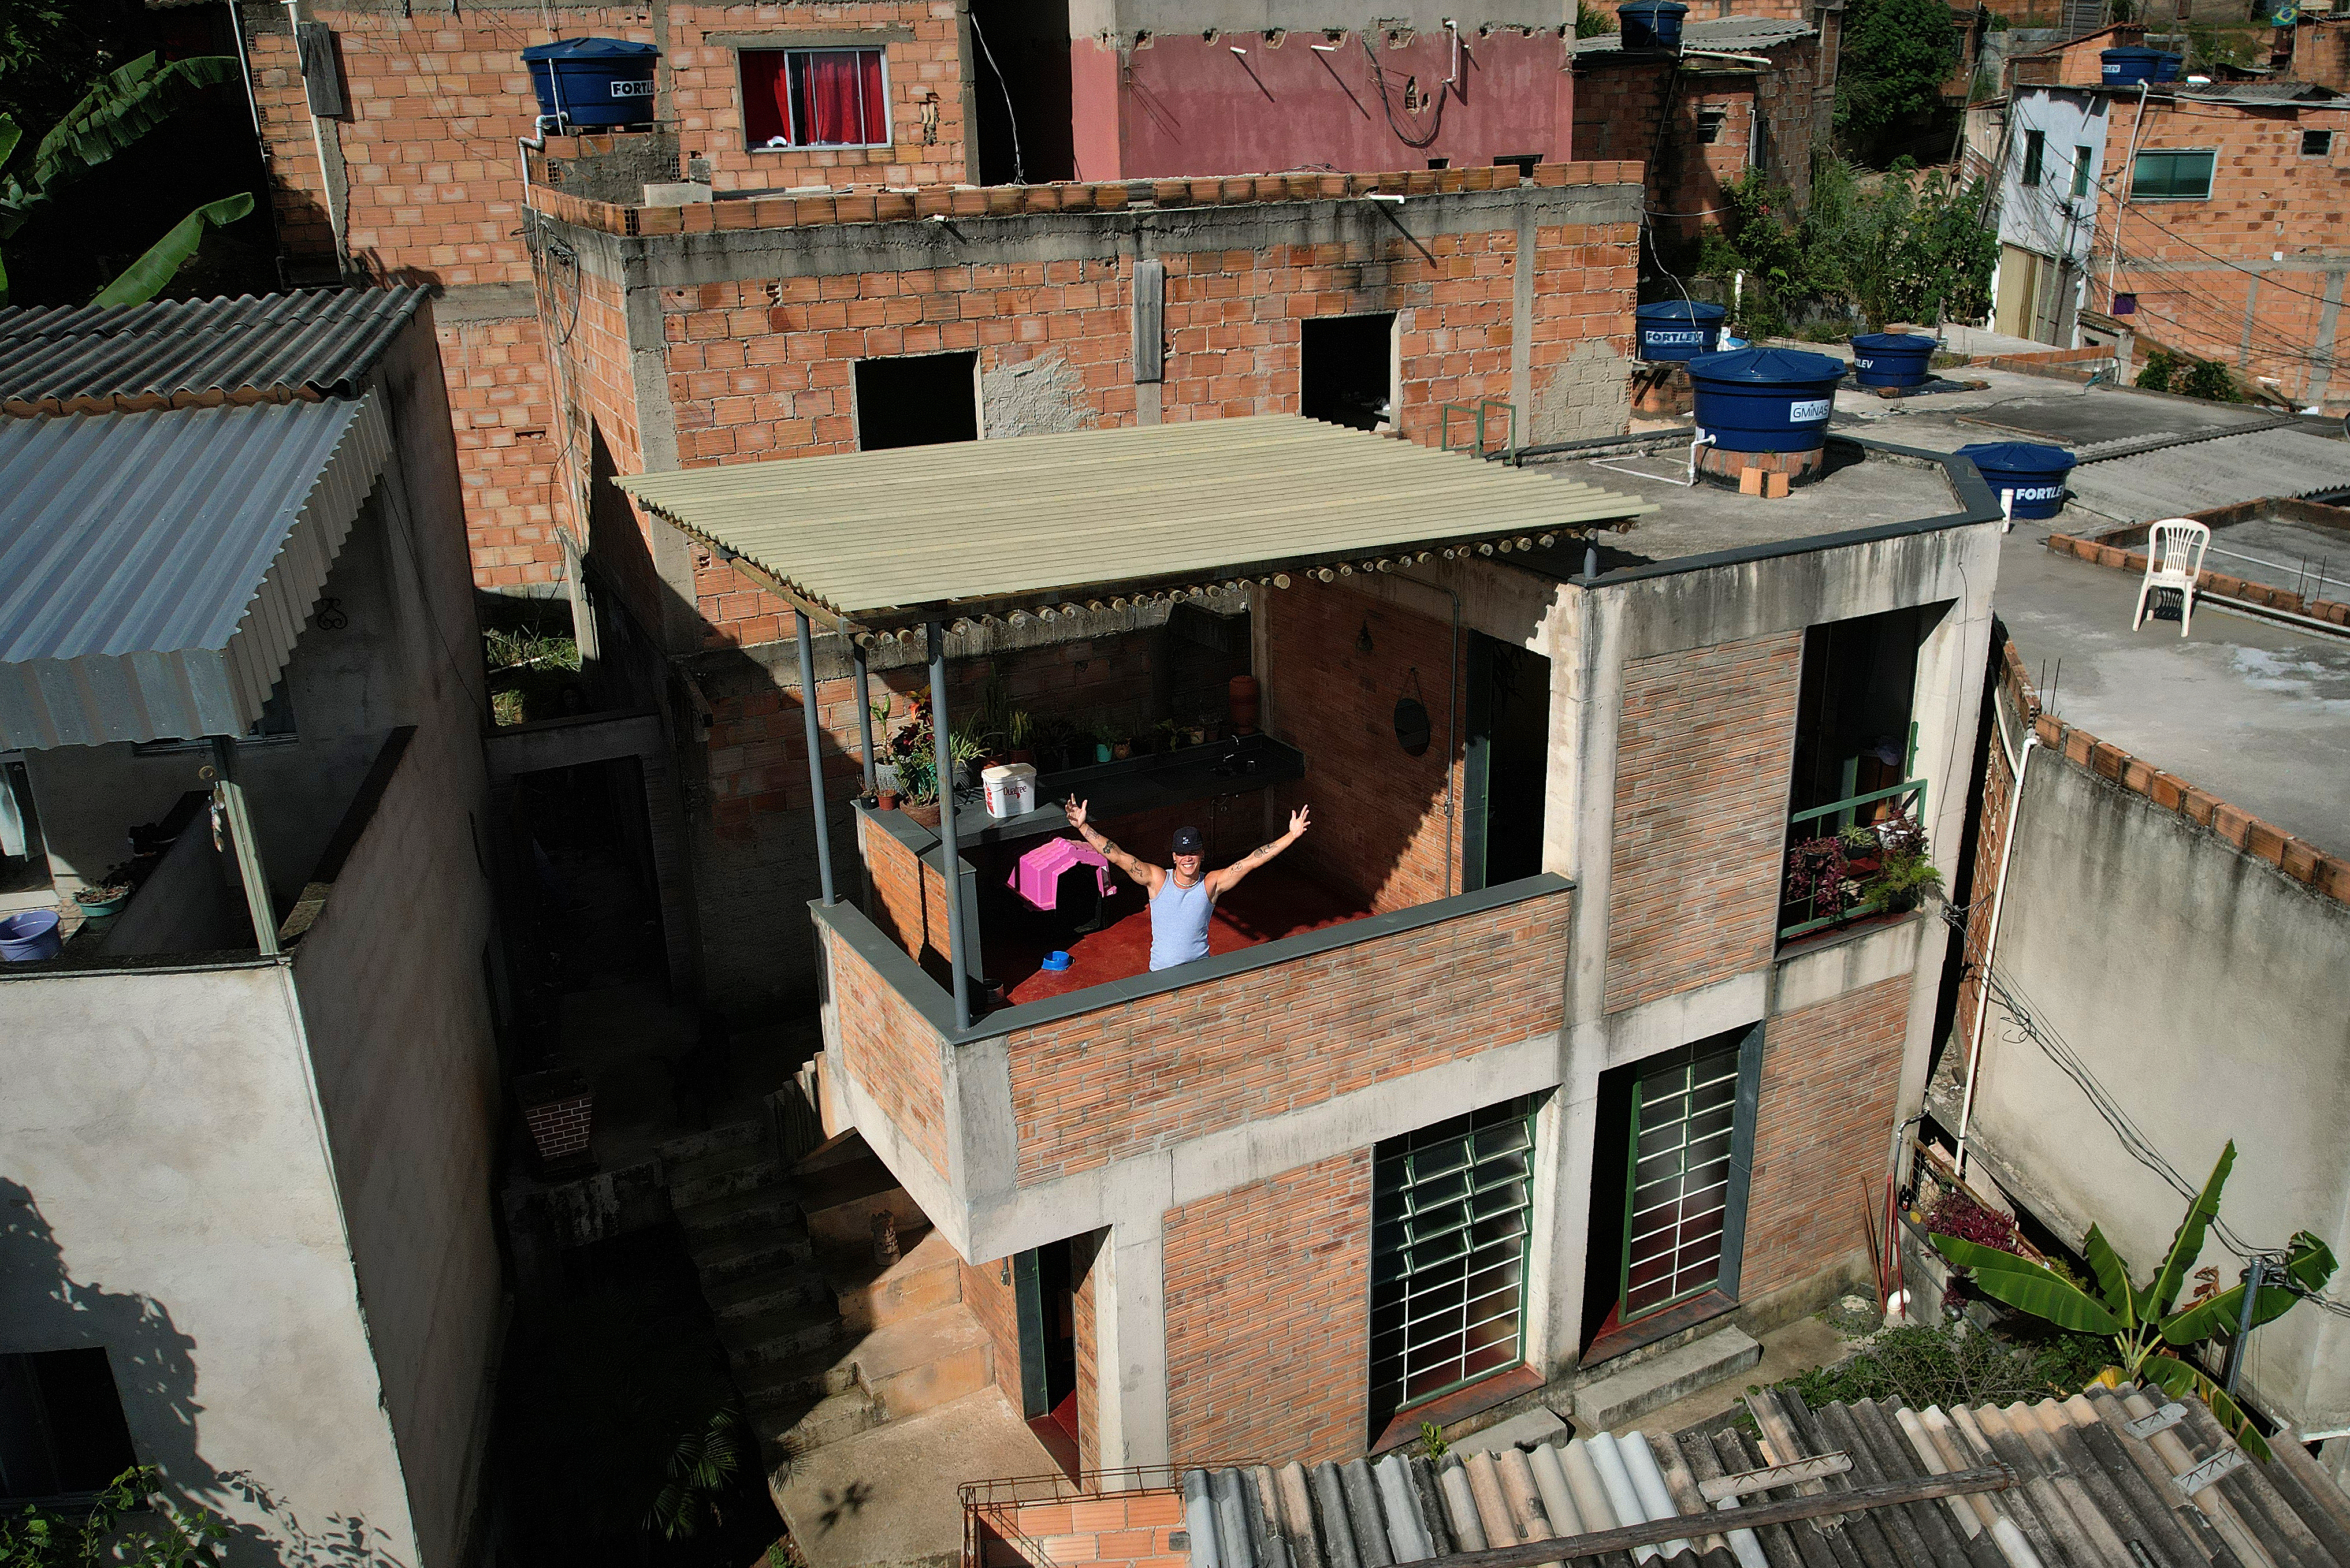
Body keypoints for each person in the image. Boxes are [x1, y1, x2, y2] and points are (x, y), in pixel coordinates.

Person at [1063, 798, 1312, 971]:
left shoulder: (1212, 884)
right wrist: (1083, 827)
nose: (1188, 859)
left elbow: (1250, 862)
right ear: (1174, 857)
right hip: (1161, 975)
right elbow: (1119, 857)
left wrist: (1291, 836)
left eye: (1193, 852)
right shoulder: (1158, 879)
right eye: (1182, 854)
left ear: (1202, 854)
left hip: (1199, 974)